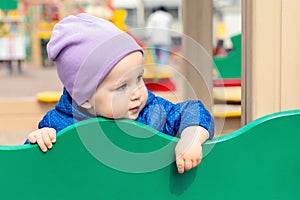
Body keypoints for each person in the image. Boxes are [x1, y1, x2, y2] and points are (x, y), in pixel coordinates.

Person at [26, 13, 214, 174]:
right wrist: (38, 140)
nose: (137, 93)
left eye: (139, 78)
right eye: (122, 87)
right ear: (84, 99)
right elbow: (27, 167)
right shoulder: (58, 125)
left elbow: (192, 111)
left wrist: (191, 137)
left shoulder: (150, 112)